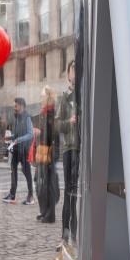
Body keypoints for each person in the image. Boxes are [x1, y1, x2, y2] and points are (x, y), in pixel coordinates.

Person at [57, 60, 80, 241]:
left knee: (79, 193)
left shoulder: (84, 95)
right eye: (73, 69)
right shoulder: (65, 97)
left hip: (82, 149)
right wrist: (69, 122)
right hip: (69, 148)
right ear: (68, 74)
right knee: (69, 192)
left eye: (77, 69)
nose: (75, 72)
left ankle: (76, 233)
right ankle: (66, 234)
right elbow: (58, 125)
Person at [34, 86, 60, 223]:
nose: (40, 99)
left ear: (48, 97)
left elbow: (52, 134)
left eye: (42, 96)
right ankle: (45, 211)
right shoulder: (44, 112)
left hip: (50, 151)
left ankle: (50, 215)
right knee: (41, 182)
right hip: (44, 150)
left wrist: (40, 133)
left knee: (48, 183)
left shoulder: (51, 112)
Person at [3, 97, 34, 205]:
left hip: (24, 149)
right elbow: (16, 134)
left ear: (21, 106)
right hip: (16, 149)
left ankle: (30, 196)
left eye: (15, 105)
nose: (14, 107)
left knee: (26, 172)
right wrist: (10, 137)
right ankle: (12, 195)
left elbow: (31, 134)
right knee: (13, 171)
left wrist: (18, 140)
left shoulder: (27, 117)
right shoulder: (16, 117)